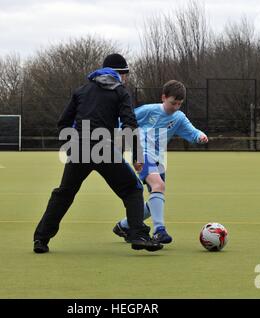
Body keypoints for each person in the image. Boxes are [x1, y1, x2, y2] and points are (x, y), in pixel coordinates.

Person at [32, 53, 163, 254]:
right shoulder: (120, 91)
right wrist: (137, 155)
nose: (126, 79)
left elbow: (63, 123)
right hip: (104, 149)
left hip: (79, 149)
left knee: (64, 194)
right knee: (132, 189)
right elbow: (130, 123)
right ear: (120, 74)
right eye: (125, 74)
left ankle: (41, 239)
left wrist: (71, 146)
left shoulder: (82, 90)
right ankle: (138, 235)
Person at [113, 80, 208, 244]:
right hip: (142, 153)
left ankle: (124, 225)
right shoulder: (149, 110)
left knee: (156, 198)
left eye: (179, 103)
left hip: (159, 159)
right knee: (159, 186)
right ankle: (159, 231)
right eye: (173, 102)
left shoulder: (178, 117)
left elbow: (192, 132)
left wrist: (200, 136)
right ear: (163, 97)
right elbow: (125, 122)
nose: (176, 107)